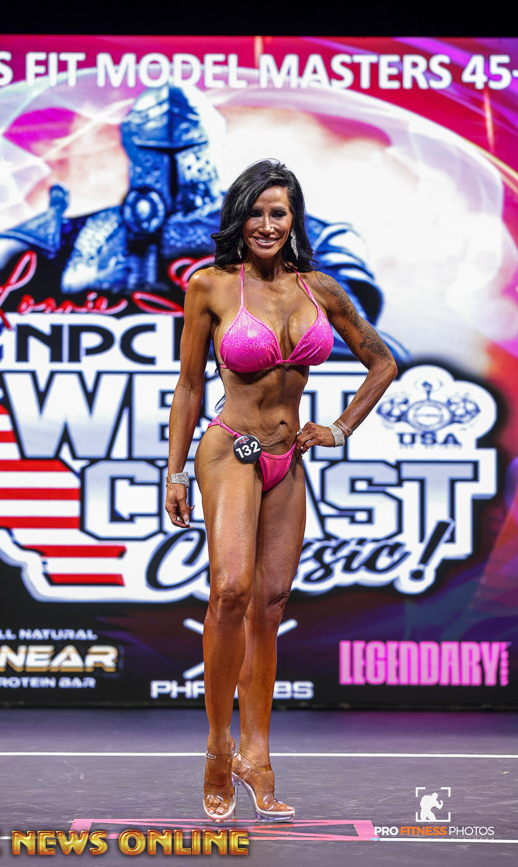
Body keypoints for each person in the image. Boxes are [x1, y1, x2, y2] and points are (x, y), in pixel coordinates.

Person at [165, 160, 397, 823]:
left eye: (279, 212)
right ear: (239, 218)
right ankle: (218, 750)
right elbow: (189, 385)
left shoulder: (319, 288)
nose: (266, 224)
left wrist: (341, 428)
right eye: (256, 212)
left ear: (294, 219)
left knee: (269, 606)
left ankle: (257, 756)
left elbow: (382, 362)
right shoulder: (210, 285)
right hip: (229, 451)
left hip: (287, 458)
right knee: (231, 591)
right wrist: (175, 472)